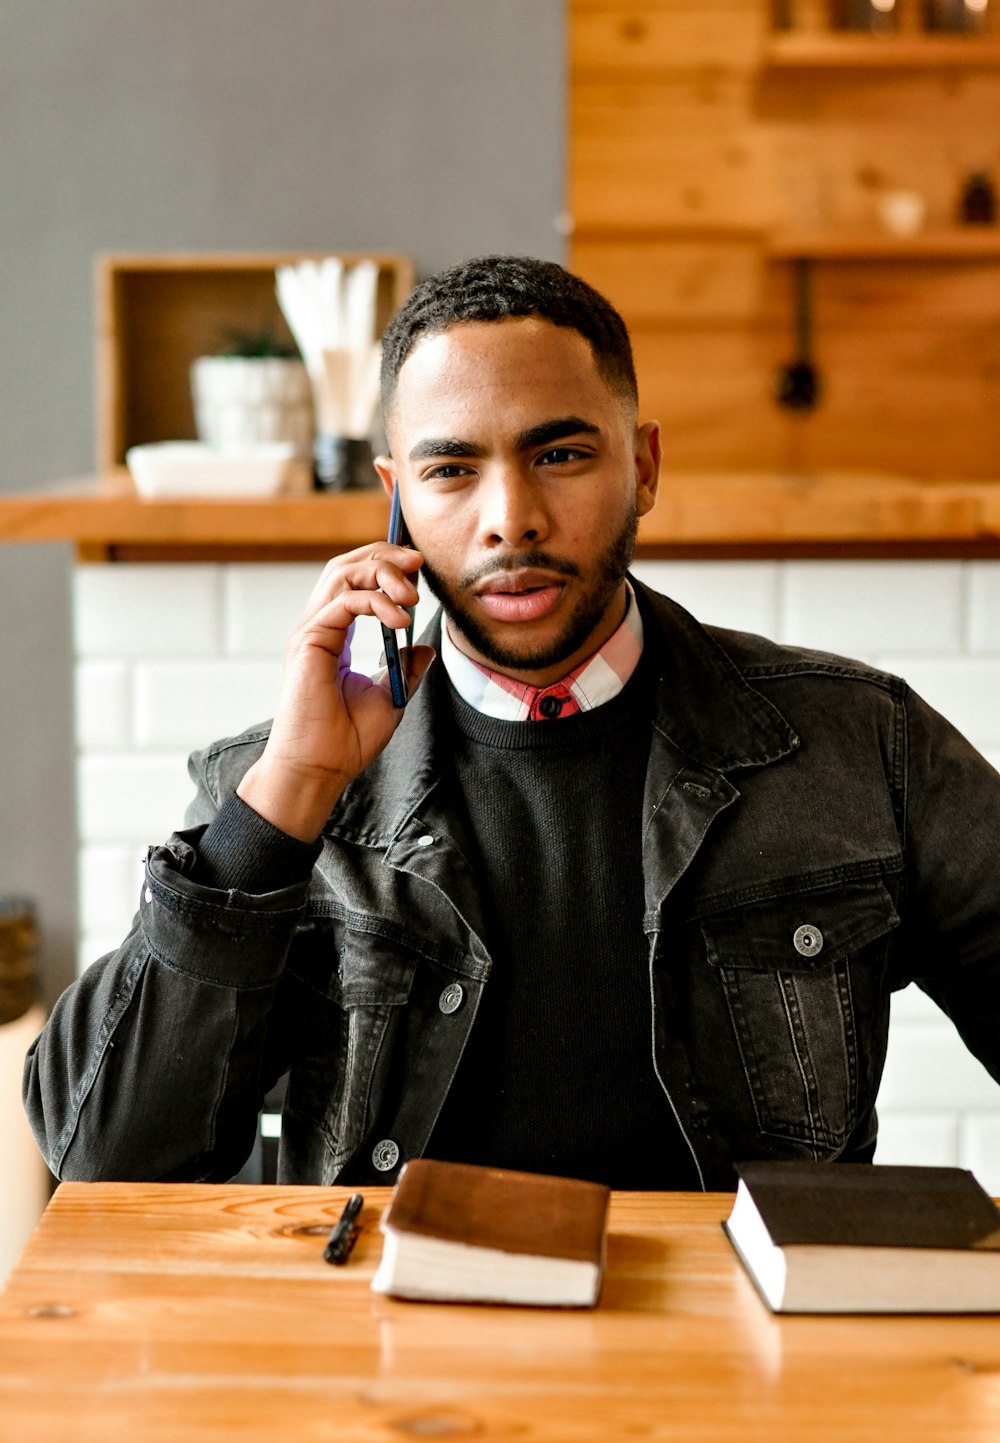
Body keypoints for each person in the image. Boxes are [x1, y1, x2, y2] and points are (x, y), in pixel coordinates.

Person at [24, 255, 1000, 1191]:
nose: (511, 518)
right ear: (397, 498)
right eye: (452, 471)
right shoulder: (282, 782)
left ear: (644, 468)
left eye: (561, 454)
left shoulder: (859, 747)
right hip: (392, 1350)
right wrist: (289, 793)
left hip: (746, 1343)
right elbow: (102, 1150)